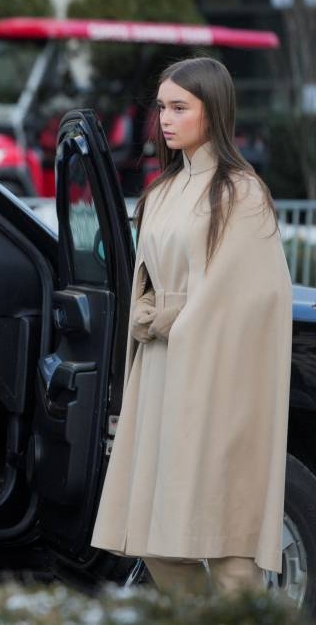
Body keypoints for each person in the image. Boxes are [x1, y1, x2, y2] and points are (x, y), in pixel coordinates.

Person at [90, 57, 291, 594]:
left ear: (214, 111)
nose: (166, 120)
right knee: (156, 540)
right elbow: (147, 281)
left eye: (180, 107)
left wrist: (169, 319)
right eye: (161, 108)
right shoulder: (163, 191)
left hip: (219, 379)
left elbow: (247, 298)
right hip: (161, 372)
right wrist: (143, 311)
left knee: (229, 544)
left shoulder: (241, 193)